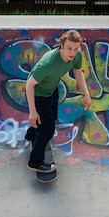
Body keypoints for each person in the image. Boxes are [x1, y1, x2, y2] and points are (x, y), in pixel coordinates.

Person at [24, 29, 91, 173]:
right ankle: (35, 162)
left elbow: (78, 73)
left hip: (51, 90)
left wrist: (86, 94)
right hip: (38, 95)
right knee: (48, 129)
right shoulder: (48, 63)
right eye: (68, 48)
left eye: (75, 49)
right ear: (61, 45)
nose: (72, 53)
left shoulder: (77, 55)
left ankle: (31, 135)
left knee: (51, 118)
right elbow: (29, 85)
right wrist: (32, 111)